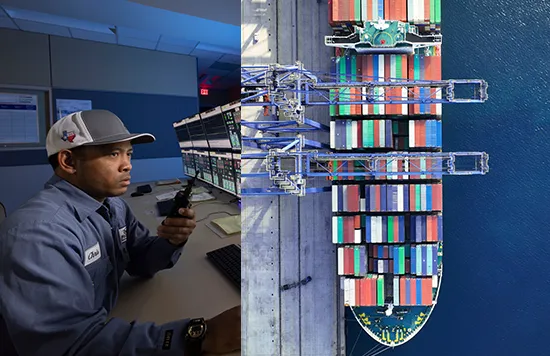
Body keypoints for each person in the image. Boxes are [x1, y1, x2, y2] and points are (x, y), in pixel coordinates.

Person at [0, 110, 240, 356]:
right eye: (113, 154)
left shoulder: (113, 205)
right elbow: (70, 347)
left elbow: (140, 261)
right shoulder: (39, 234)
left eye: (129, 154)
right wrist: (199, 337)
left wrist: (171, 240)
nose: (127, 165)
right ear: (68, 162)